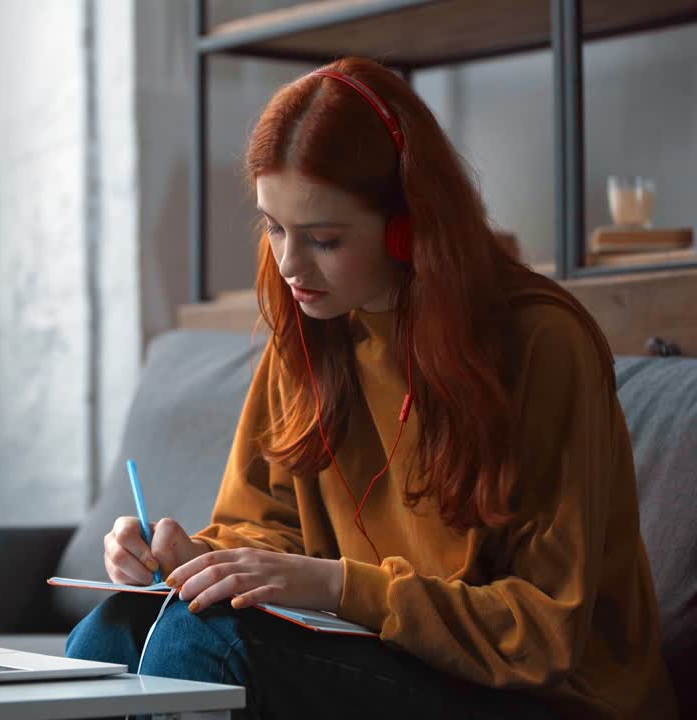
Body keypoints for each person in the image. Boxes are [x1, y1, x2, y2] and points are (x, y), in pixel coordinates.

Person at [65, 57, 677, 719]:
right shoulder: (311, 326)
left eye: (324, 238)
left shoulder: (542, 346)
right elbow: (265, 529)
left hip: (548, 695)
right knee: (114, 632)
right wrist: (193, 556)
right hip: (393, 657)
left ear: (407, 226)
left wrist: (335, 585)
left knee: (200, 639)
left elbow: (542, 633)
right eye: (274, 229)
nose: (291, 265)